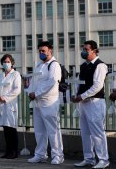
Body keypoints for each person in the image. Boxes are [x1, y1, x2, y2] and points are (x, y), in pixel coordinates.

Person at [72, 40, 110, 169]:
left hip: (95, 102)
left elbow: (98, 85)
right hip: (83, 103)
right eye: (83, 49)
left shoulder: (100, 65)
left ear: (94, 50)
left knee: (98, 133)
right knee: (85, 133)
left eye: (86, 49)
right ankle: (89, 158)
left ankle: (104, 159)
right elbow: (79, 82)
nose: (83, 51)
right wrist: (75, 94)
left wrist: (81, 96)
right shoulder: (84, 66)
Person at [27, 41, 64, 165]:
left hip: (49, 102)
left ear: (50, 51)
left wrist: (36, 93)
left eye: (44, 51)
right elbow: (33, 81)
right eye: (40, 51)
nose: (41, 53)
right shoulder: (39, 65)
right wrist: (30, 92)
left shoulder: (54, 65)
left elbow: (52, 82)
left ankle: (58, 155)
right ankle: (40, 154)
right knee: (39, 130)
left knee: (53, 130)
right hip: (37, 102)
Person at [0, 54, 21, 159]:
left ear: (12, 63)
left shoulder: (16, 74)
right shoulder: (0, 76)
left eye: (8, 61)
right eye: (4, 62)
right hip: (1, 105)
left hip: (10, 104)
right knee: (5, 129)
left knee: (11, 129)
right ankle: (8, 151)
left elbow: (17, 90)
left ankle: (14, 152)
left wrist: (4, 98)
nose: (6, 63)